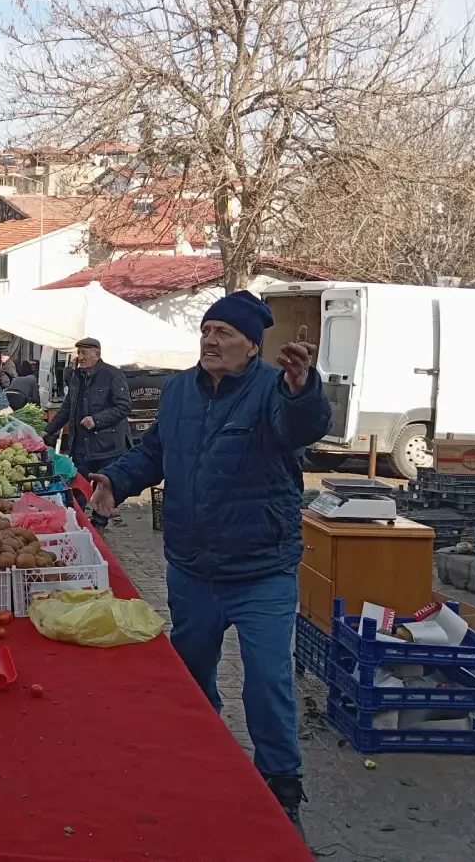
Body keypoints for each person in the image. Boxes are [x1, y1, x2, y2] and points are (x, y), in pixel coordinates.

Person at [89, 291, 331, 834]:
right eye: (206, 330)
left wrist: (301, 389)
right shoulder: (178, 391)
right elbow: (155, 452)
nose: (211, 340)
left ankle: (281, 785)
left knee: (267, 683)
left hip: (260, 569)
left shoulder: (274, 389)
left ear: (251, 346)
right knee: (191, 677)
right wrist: (117, 481)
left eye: (224, 332)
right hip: (192, 566)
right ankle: (204, 762)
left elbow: (303, 426)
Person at [43, 338, 133, 510]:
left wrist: (96, 420)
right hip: (81, 445)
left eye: (85, 353)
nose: (80, 357)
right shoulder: (76, 377)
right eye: (79, 353)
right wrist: (47, 431)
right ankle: (80, 521)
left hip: (107, 447)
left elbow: (124, 407)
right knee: (78, 487)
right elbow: (67, 408)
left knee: (104, 488)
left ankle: (99, 524)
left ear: (97, 354)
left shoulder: (112, 375)